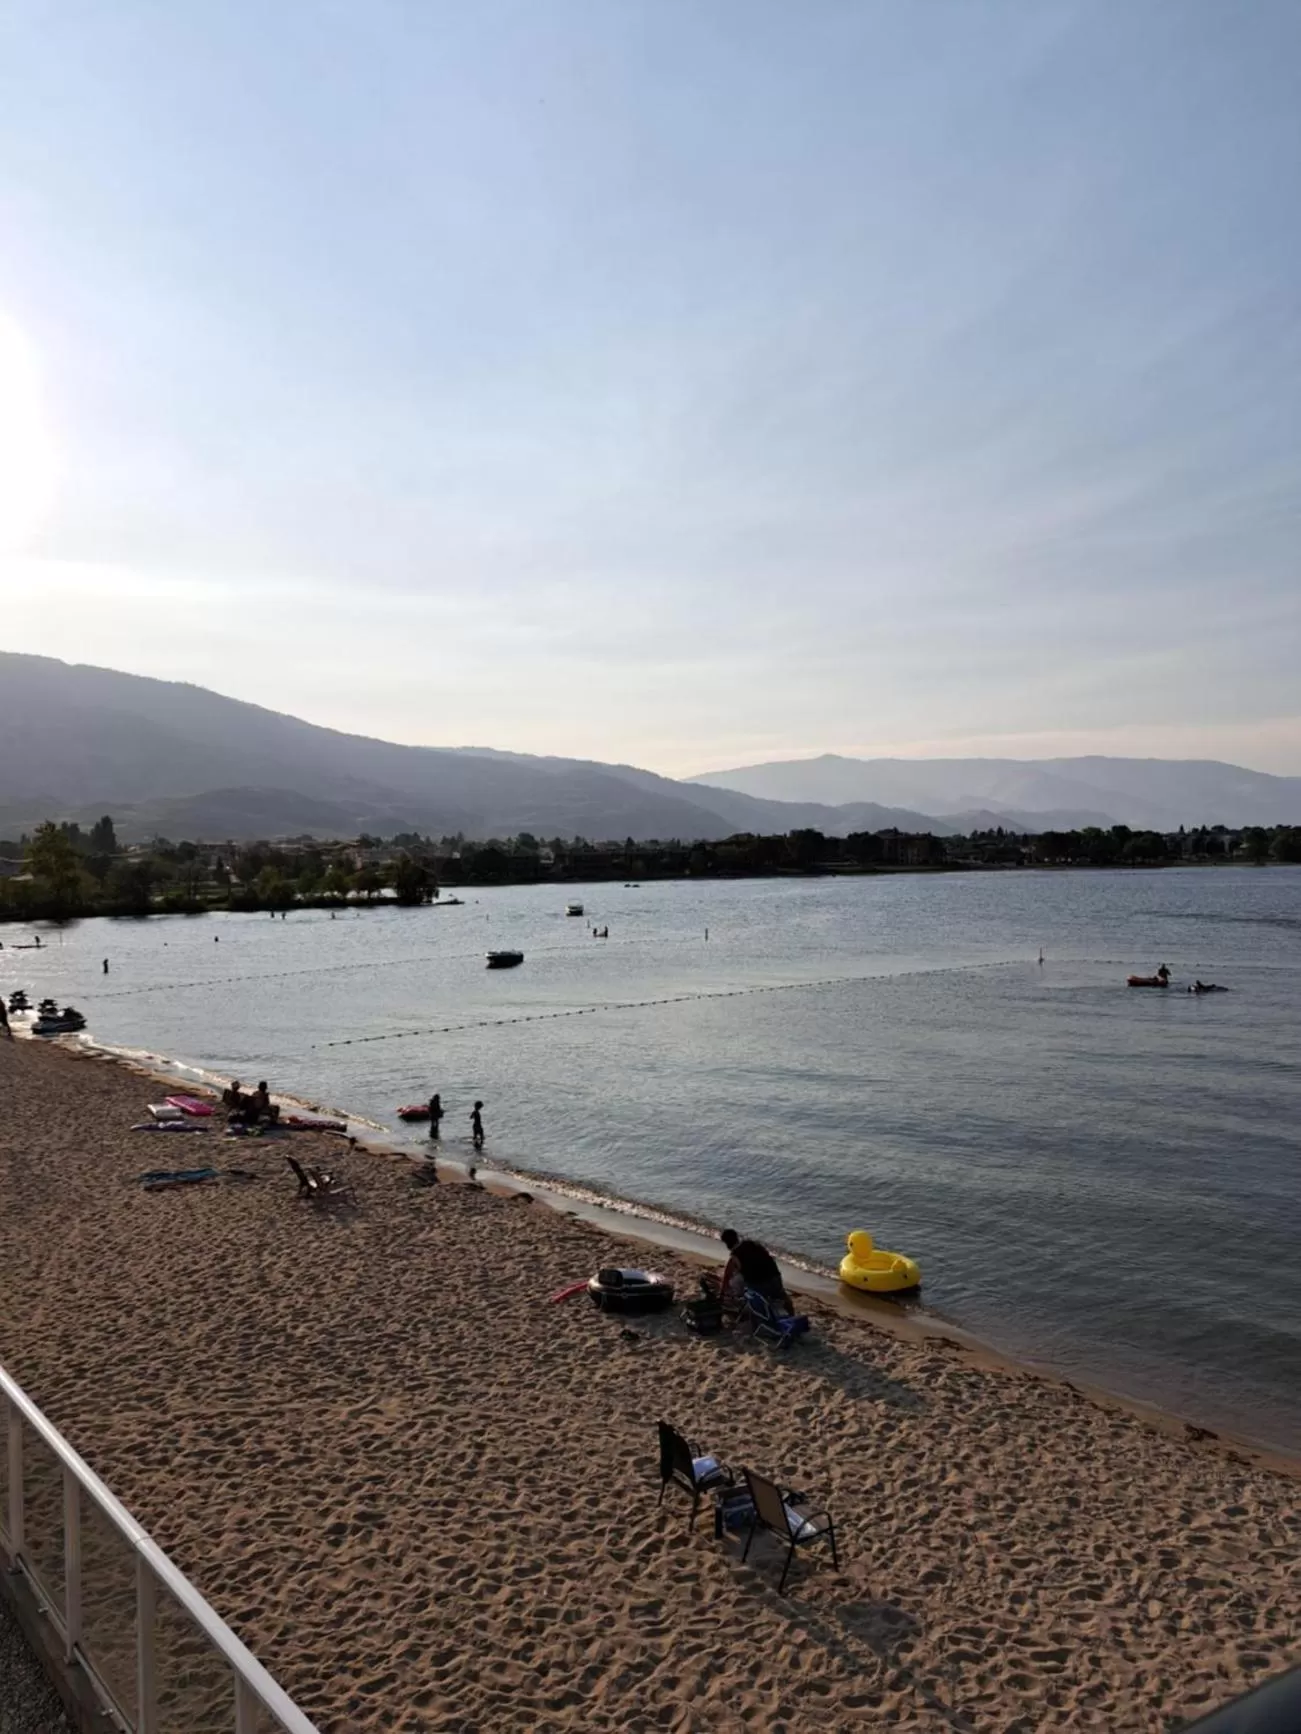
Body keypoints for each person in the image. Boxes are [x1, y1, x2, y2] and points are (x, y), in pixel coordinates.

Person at [719, 1228, 791, 1315]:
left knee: (735, 1280)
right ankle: (788, 1308)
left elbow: (727, 1276)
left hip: (761, 1289)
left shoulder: (735, 1256)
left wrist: (722, 1294)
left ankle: (744, 1303)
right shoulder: (753, 1245)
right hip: (776, 1281)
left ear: (727, 1244)